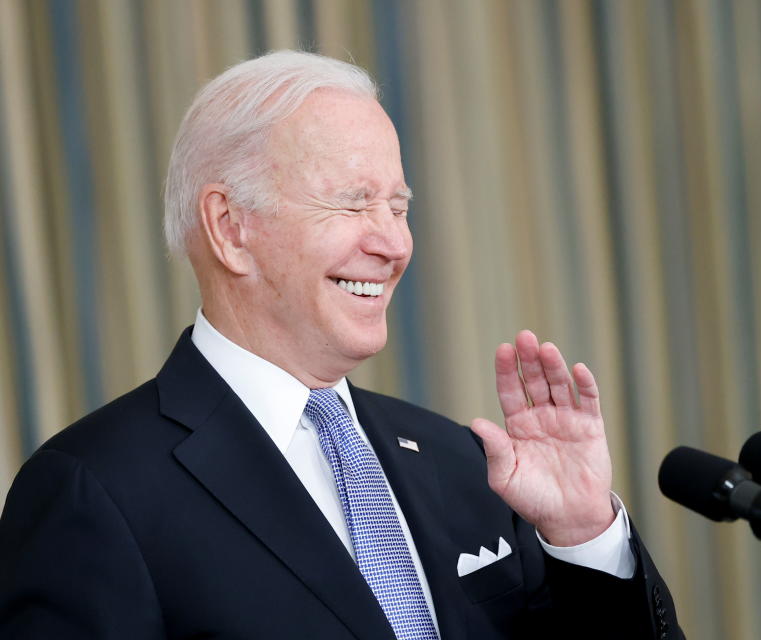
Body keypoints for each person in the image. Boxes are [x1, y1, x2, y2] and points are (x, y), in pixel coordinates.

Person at [0, 51, 682, 639]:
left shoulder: (468, 465)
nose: (393, 243)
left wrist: (585, 537)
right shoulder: (96, 491)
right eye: (354, 205)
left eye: (399, 207)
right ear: (230, 227)